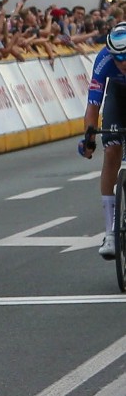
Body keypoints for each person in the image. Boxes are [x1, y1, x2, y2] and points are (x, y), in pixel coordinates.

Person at [80, 22, 126, 259]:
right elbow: (93, 105)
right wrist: (88, 138)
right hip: (118, 96)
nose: (122, 62)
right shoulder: (104, 60)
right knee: (111, 153)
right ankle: (110, 232)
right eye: (117, 57)